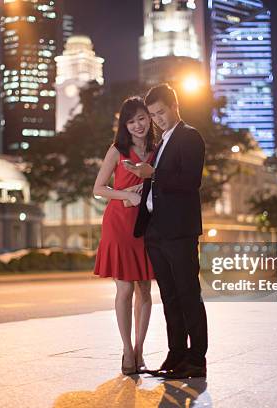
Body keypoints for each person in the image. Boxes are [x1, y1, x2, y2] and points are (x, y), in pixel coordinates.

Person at [126, 84, 208, 379]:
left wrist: (154, 174)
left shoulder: (189, 137)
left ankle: (197, 360)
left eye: (160, 112)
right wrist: (142, 180)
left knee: (188, 294)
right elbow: (158, 184)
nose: (157, 119)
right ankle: (176, 354)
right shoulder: (161, 143)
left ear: (175, 106)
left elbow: (190, 181)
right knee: (170, 296)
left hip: (179, 230)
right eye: (152, 115)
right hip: (156, 229)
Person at [92, 97, 157, 375]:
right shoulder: (118, 150)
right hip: (119, 223)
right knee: (125, 289)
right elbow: (99, 188)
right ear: (125, 125)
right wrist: (126, 194)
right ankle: (127, 351)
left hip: (149, 225)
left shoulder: (158, 148)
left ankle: (141, 349)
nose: (137, 125)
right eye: (131, 121)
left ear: (149, 118)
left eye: (141, 118)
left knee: (145, 288)